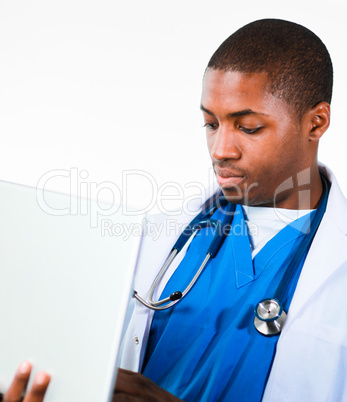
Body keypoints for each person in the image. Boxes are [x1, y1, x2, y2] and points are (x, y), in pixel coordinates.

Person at [2, 18, 347, 402]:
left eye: (247, 127)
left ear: (316, 123)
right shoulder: (156, 241)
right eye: (211, 123)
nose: (221, 150)